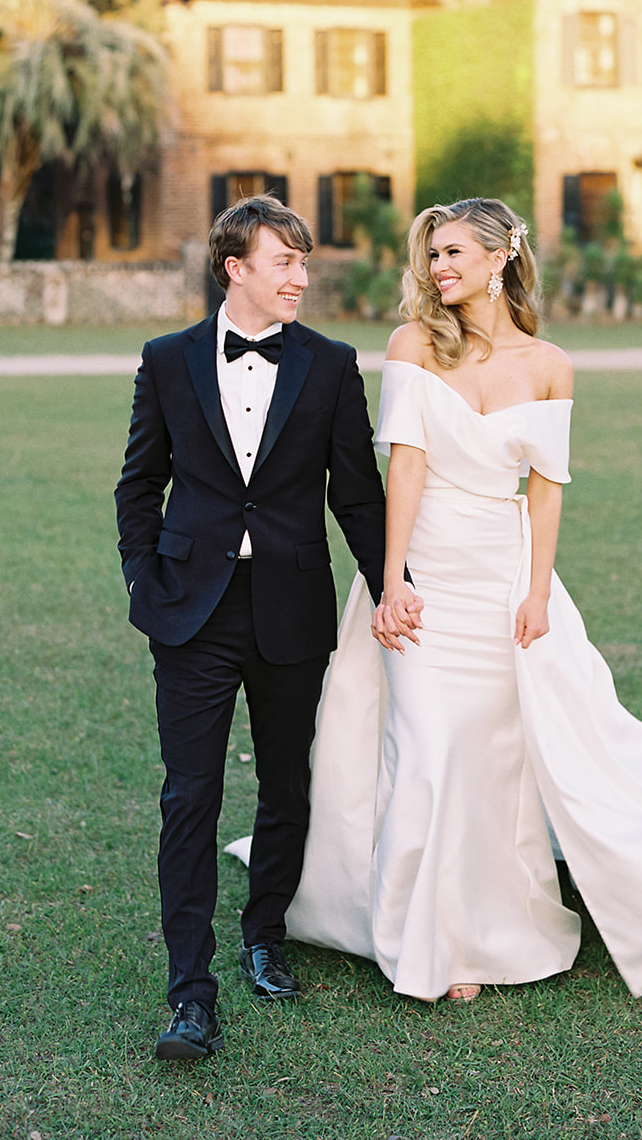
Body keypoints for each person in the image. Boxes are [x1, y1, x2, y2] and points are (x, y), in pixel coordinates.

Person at [230, 197, 642, 1003]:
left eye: (453, 252)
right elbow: (404, 471)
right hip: (418, 577)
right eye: (432, 256)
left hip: (503, 577)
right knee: (428, 746)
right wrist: (390, 586)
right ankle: (423, 938)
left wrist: (536, 596)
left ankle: (488, 925)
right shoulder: (411, 343)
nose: (438, 268)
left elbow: (546, 492)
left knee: (493, 758)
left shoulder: (550, 363)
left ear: (500, 257)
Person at [115, 195, 391, 1058]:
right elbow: (138, 483)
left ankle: (263, 935)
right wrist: (140, 580)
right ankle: (189, 992)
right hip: (189, 612)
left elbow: (355, 494)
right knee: (188, 796)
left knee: (286, 787)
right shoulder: (166, 361)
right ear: (235, 268)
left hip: (290, 608)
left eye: (304, 263)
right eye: (285, 263)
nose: (301, 278)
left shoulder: (332, 365)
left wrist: (394, 588)